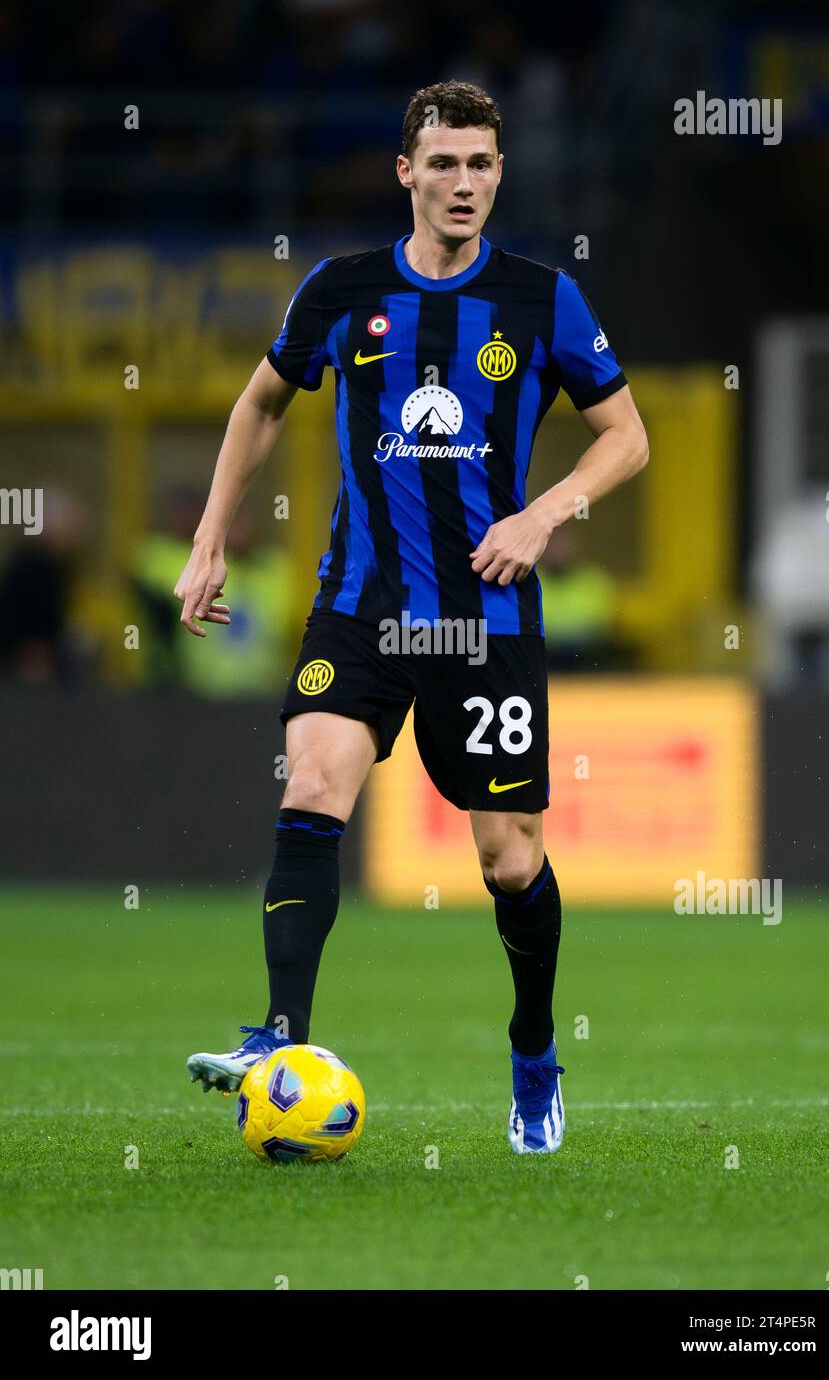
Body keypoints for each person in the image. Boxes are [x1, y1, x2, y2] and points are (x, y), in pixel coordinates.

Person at [176, 80, 648, 1155]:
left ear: (498, 175)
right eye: (442, 163)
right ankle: (278, 1038)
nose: (463, 184)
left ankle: (533, 1048)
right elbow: (259, 400)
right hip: (361, 606)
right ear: (405, 173)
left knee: (509, 863)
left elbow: (626, 437)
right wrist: (210, 537)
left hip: (482, 622)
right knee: (313, 784)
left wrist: (541, 512)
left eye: (480, 164)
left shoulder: (540, 299)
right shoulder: (340, 291)